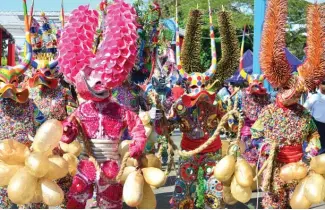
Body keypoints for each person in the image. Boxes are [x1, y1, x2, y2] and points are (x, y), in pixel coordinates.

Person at [304, 80, 325, 154]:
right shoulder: (315, 96)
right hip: (317, 125)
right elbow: (304, 108)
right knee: (317, 147)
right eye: (323, 83)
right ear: (319, 85)